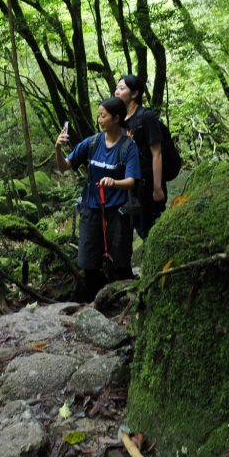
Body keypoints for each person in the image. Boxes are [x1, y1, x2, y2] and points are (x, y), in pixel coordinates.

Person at [55, 97, 141, 301]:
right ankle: (93, 303)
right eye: (98, 115)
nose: (99, 119)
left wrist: (114, 182)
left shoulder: (128, 147)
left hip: (117, 211)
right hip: (91, 208)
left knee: (121, 261)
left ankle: (125, 299)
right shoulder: (92, 143)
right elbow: (64, 166)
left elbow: (131, 180)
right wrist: (57, 148)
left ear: (116, 118)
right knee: (88, 261)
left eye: (103, 115)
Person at [114, 74, 166, 239]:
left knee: (153, 228)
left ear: (135, 93)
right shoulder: (119, 121)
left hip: (149, 184)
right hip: (131, 186)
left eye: (122, 88)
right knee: (141, 229)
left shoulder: (146, 117)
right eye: (116, 88)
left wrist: (157, 188)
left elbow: (156, 153)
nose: (116, 92)